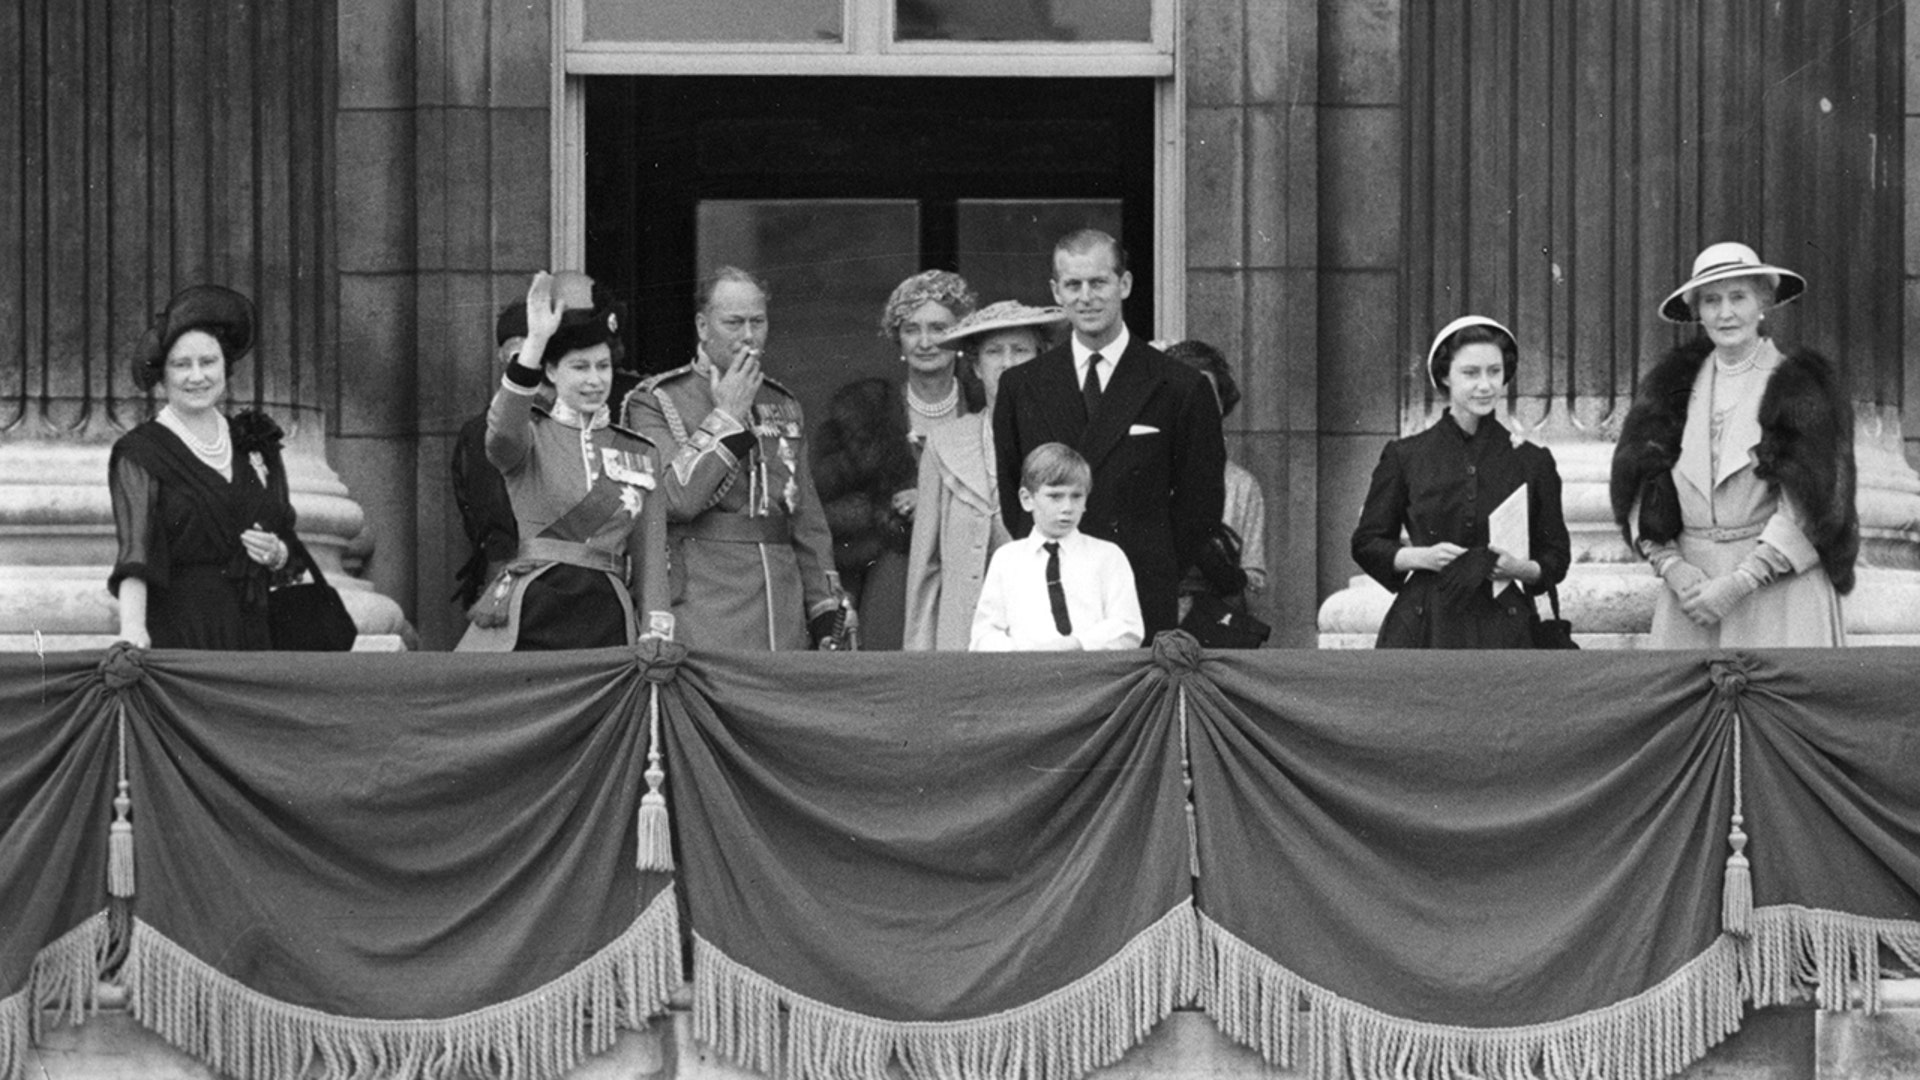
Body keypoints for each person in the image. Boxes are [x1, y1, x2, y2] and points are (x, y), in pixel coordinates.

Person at [1610, 242, 1856, 647]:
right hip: (1692, 596)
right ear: (1697, 312)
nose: (1725, 313)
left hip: (1775, 591)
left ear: (1763, 302)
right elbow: (1640, 484)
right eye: (1711, 300)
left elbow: (1816, 503)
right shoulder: (1670, 385)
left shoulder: (1800, 384)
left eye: (1738, 297)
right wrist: (1672, 566)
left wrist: (1740, 582)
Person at [992, 229, 1226, 639]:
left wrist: (1155, 561)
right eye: (1073, 285)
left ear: (1125, 284)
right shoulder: (1022, 386)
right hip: (1050, 588)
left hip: (1140, 591)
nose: (1086, 297)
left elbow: (1201, 505)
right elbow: (1016, 494)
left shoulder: (1180, 386)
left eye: (1098, 282)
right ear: (1056, 291)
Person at [621, 266, 845, 651]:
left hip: (781, 604)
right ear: (702, 326)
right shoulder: (656, 400)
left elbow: (806, 519)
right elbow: (675, 498)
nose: (748, 336)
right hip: (704, 603)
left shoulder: (782, 402)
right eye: (734, 323)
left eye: (757, 322)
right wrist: (727, 417)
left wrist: (825, 606)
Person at [456, 271, 668, 651]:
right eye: (580, 367)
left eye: (602, 366)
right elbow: (501, 431)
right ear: (551, 372)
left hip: (608, 615)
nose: (594, 380)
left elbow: (651, 562)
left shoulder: (641, 452)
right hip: (537, 608)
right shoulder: (528, 438)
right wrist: (536, 342)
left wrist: (655, 633)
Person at [1350, 315, 1571, 649]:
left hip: (1505, 628)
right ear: (1444, 376)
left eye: (1494, 372)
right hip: (1427, 627)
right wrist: (1422, 557)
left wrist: (1520, 568)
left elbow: (1556, 557)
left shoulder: (1532, 461)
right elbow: (1367, 543)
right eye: (1471, 373)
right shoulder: (1405, 456)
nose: (1485, 385)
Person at [109, 285, 300, 649]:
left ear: (226, 368)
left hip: (256, 632)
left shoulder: (255, 441)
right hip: (181, 632)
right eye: (181, 365)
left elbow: (288, 535)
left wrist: (278, 553)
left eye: (208, 362)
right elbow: (135, 553)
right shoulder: (139, 452)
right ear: (162, 375)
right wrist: (132, 630)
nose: (197, 377)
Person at [814, 270, 978, 650]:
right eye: (911, 329)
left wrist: (937, 502)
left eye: (939, 328)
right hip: (890, 577)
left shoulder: (986, 406)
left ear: (960, 337)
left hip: (971, 573)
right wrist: (885, 512)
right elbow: (829, 512)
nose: (925, 342)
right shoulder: (861, 415)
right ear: (898, 339)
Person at [904, 301, 1066, 650]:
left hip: (1043, 644)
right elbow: (926, 569)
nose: (1008, 362)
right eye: (994, 352)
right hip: (962, 640)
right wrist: (919, 662)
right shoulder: (945, 443)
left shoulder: (1065, 440)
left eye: (1020, 350)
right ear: (976, 366)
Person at [970, 443, 1142, 651]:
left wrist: (1078, 643)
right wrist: (1021, 652)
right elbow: (984, 634)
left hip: (1092, 672)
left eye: (1076, 496)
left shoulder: (1107, 556)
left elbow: (1128, 627)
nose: (1067, 508)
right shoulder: (1007, 559)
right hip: (1028, 673)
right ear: (1027, 499)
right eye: (1055, 496)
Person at [1163, 339, 1268, 621]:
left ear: (1222, 404)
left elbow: (1254, 577)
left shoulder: (1242, 485)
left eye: (1208, 394)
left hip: (1214, 621)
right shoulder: (1141, 470)